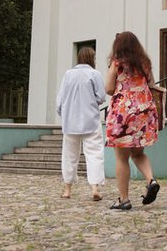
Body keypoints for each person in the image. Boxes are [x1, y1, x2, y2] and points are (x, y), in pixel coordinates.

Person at [104, 31, 161, 210]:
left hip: (123, 113)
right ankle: (151, 180)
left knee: (122, 158)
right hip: (143, 111)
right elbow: (151, 85)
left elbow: (108, 88)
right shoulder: (145, 63)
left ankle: (124, 199)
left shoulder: (117, 63)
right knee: (138, 153)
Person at [56, 46, 106, 200]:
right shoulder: (94, 74)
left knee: (69, 155)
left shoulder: (68, 75)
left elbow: (60, 100)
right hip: (90, 119)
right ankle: (95, 188)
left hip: (70, 121)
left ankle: (67, 189)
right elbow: (101, 96)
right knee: (95, 154)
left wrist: (63, 113)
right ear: (91, 58)